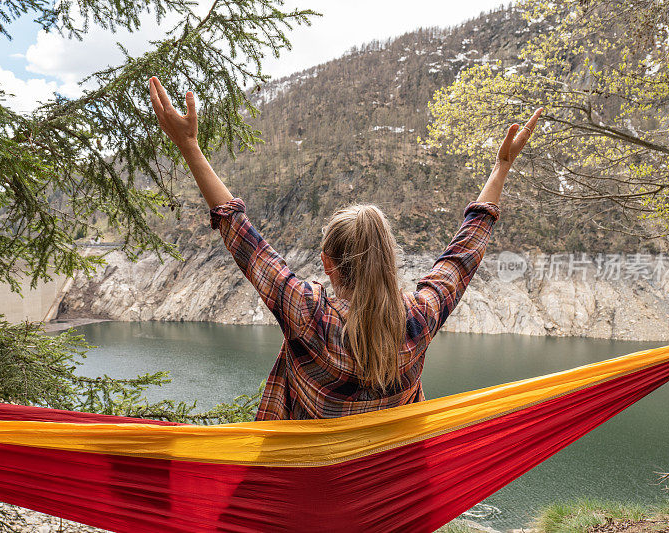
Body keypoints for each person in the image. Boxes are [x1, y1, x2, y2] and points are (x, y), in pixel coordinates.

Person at [149, 76, 542, 421]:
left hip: (307, 483)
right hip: (387, 483)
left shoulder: (310, 316)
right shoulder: (420, 319)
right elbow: (463, 255)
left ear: (328, 264)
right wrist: (500, 167)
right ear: (389, 261)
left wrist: (189, 146)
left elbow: (243, 237)